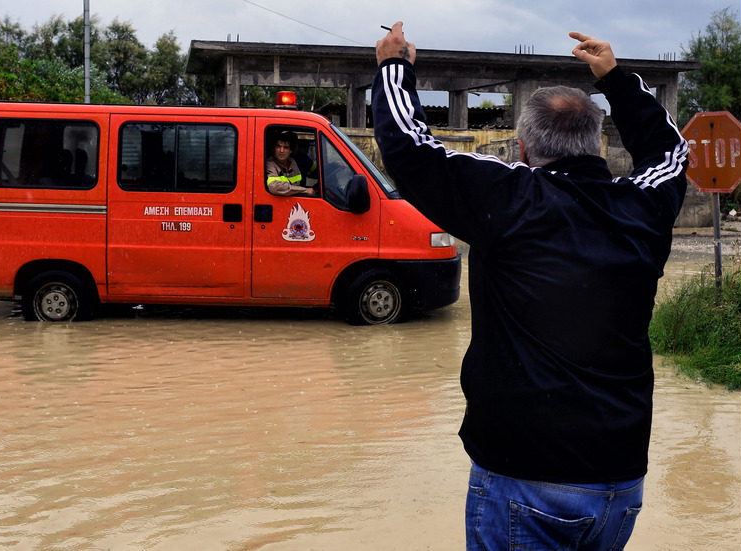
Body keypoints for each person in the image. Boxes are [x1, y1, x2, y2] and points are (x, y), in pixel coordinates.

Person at [373, 23, 688, 550]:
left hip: (525, 481)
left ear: (522, 148)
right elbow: (672, 153)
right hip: (620, 484)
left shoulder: (510, 198)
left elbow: (412, 152)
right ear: (598, 143)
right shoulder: (643, 208)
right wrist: (615, 78)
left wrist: (392, 67)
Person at [266, 131, 317, 196]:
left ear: (290, 151)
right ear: (274, 149)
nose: (281, 150)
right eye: (278, 146)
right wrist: (305, 190)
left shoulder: (295, 162)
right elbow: (275, 187)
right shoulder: (269, 164)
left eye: (285, 147)